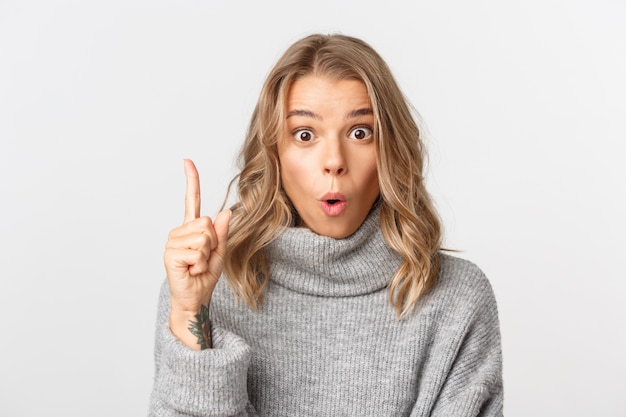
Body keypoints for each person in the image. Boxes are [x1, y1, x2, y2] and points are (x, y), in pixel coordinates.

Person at [149, 33, 503, 416]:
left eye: (360, 132)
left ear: (391, 150)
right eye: (305, 135)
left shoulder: (457, 298)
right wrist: (188, 315)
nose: (334, 160)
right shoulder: (204, 293)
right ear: (273, 154)